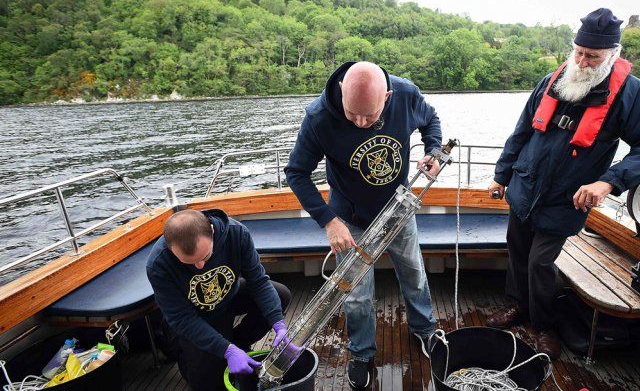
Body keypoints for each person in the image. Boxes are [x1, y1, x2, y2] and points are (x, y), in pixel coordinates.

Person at [486, 8, 640, 358]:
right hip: (525, 186)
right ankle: (517, 308)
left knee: (541, 263)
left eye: (593, 57)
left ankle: (542, 326)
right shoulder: (550, 81)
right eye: (579, 53)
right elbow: (522, 130)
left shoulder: (632, 93)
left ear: (612, 55)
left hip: (568, 198)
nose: (583, 62)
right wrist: (501, 174)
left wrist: (609, 182)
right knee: (518, 251)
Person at [284, 61, 441, 388]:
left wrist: (434, 151)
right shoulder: (319, 118)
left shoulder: (406, 95)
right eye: (352, 113)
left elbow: (431, 120)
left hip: (398, 209)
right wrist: (329, 221)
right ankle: (362, 353)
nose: (359, 122)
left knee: (413, 272)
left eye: (369, 116)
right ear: (341, 91)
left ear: (387, 95)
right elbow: (296, 173)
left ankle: (425, 331)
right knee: (356, 294)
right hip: (349, 220)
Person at [146, 209, 292, 391]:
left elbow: (259, 282)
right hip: (195, 316)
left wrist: (278, 324)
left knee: (280, 295)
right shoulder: (158, 264)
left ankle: (238, 343)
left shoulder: (237, 234)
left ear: (212, 231)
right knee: (208, 384)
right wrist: (226, 350)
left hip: (229, 297)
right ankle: (192, 353)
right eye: (188, 263)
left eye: (205, 257)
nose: (199, 266)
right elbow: (182, 319)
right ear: (169, 248)